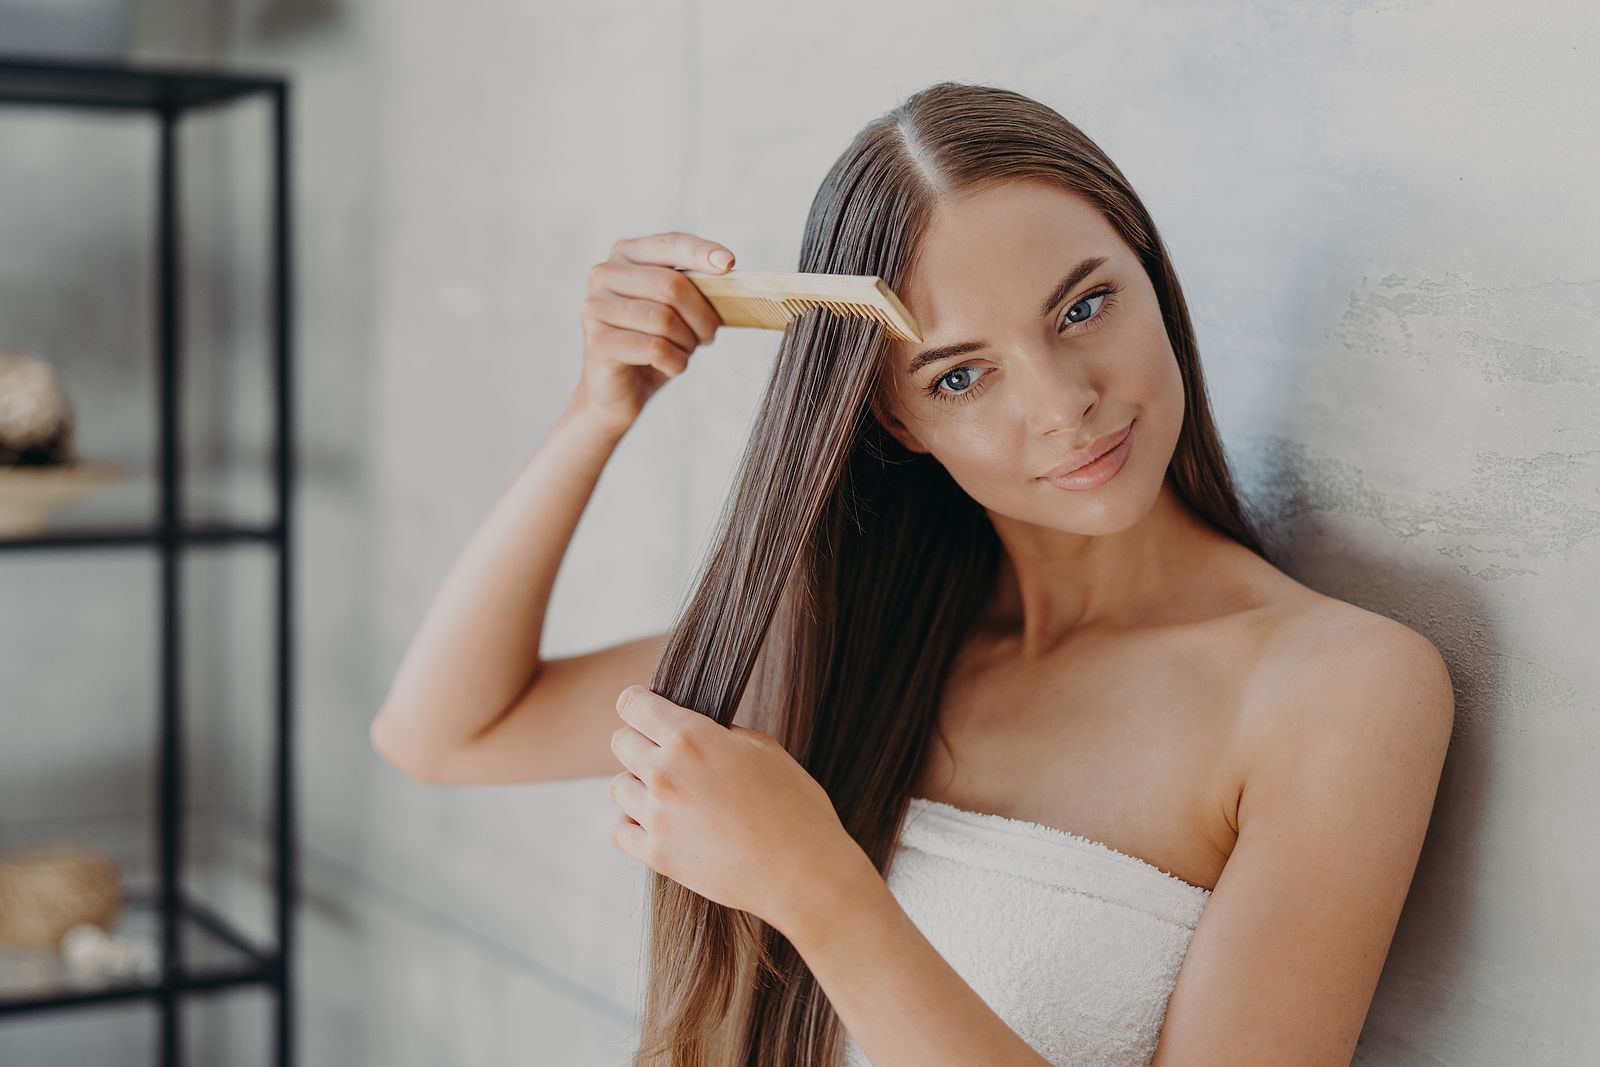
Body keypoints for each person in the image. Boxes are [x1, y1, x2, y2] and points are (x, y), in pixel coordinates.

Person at [371, 81, 1455, 1067]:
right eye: (961, 374)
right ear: (895, 416)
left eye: (1083, 306)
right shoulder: (847, 636)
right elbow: (448, 729)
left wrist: (819, 886)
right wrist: (597, 407)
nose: (1059, 401)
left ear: (1150, 274)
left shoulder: (1339, 690)